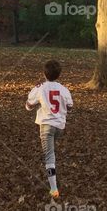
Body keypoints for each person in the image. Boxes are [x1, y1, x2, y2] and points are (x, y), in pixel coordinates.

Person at [26, 60, 73, 200]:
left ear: (44, 73)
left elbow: (29, 105)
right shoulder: (64, 89)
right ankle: (53, 177)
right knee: (51, 152)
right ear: (59, 74)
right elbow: (70, 106)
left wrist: (32, 106)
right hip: (59, 126)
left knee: (49, 156)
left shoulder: (40, 88)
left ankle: (54, 189)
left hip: (46, 125)